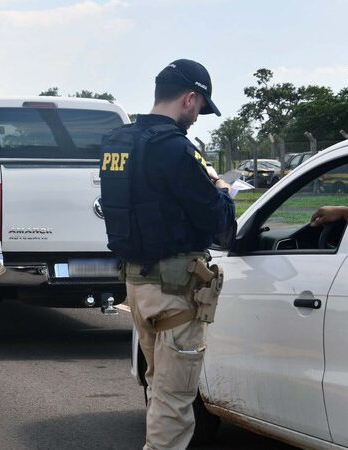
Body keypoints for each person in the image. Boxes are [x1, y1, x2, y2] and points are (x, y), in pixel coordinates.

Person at [99, 59, 235, 450]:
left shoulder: (117, 142)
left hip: (138, 286)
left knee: (159, 389)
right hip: (176, 290)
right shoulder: (176, 149)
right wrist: (223, 191)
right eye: (201, 108)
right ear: (189, 99)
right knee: (175, 401)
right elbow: (217, 223)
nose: (197, 118)